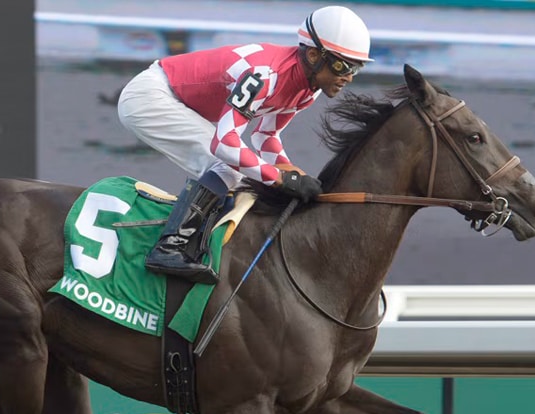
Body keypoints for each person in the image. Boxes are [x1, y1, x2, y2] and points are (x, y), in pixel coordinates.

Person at [117, 6, 372, 284]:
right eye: (342, 65)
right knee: (227, 166)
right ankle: (170, 248)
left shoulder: (306, 90)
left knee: (241, 172)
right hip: (150, 95)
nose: (348, 76)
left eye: (356, 68)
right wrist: (280, 179)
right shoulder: (264, 75)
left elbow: (266, 137)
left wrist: (291, 172)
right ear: (313, 55)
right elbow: (225, 144)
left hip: (178, 101)